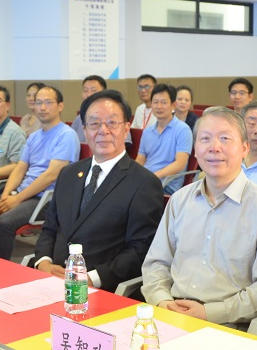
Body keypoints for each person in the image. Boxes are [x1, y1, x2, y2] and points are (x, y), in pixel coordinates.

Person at [141, 107, 257, 328]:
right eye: (205, 139)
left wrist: (209, 313)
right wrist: (162, 301)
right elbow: (156, 264)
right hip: (168, 314)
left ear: (244, 148)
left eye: (225, 139)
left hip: (225, 324)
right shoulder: (179, 200)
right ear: (195, 149)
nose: (214, 147)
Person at [33, 90, 163, 291]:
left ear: (126, 128)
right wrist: (43, 261)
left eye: (112, 123)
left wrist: (93, 278)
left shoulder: (144, 183)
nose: (103, 130)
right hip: (51, 279)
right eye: (94, 123)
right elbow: (50, 227)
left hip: (99, 288)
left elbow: (141, 249)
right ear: (84, 130)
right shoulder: (68, 173)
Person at [0, 86, 79, 261]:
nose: (42, 107)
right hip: (23, 193)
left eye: (48, 102)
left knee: (5, 222)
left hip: (46, 198)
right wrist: (6, 195)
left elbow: (51, 175)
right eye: (38, 103)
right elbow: (20, 167)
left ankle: (3, 268)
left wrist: (17, 199)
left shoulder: (67, 135)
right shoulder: (34, 136)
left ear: (60, 106)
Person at [137, 84, 192, 194]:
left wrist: (153, 177)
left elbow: (180, 164)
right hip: (146, 181)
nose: (159, 106)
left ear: (173, 105)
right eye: (155, 102)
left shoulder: (183, 130)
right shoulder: (147, 131)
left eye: (163, 102)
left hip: (166, 185)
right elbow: (140, 159)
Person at [71, 75, 107, 142]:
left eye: (94, 90)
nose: (89, 95)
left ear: (104, 93)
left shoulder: (112, 117)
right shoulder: (79, 119)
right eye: (85, 90)